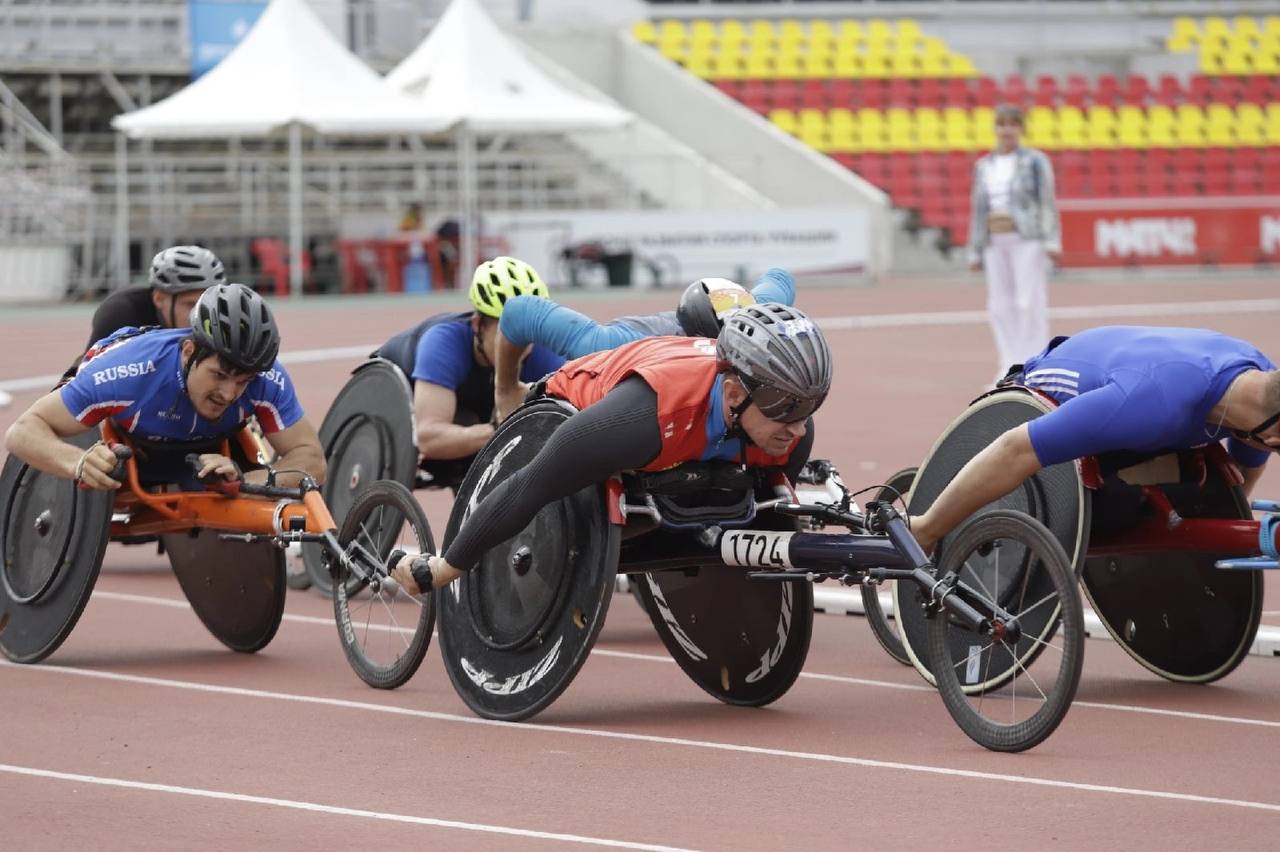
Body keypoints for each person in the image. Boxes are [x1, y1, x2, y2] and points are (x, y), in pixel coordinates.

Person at [389, 302, 832, 594]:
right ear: (735, 394)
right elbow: (530, 485)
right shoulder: (639, 420)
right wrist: (447, 566)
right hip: (592, 391)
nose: (797, 430)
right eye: (786, 413)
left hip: (681, 379)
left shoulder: (788, 431)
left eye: (807, 410)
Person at [910, 326, 1280, 555]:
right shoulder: (1152, 403)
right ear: (1274, 435)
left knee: (1189, 484)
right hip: (1067, 380)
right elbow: (1016, 449)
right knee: (1116, 507)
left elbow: (1246, 463)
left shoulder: (1261, 384)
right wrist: (929, 528)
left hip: (1144, 378)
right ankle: (926, 524)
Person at [5, 283, 325, 492]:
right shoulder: (126, 372)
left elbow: (312, 459)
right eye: (219, 375)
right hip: (130, 440)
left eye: (243, 381)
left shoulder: (266, 378)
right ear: (189, 352)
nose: (229, 393)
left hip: (205, 450)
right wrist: (76, 462)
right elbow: (22, 432)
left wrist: (249, 479)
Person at [492, 268, 796, 420]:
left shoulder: (757, 315)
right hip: (638, 361)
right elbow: (520, 311)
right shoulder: (608, 345)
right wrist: (505, 390)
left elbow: (780, 277)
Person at [370, 256, 563, 488]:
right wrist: (498, 429)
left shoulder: (542, 352)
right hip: (401, 393)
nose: (518, 344)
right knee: (468, 422)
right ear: (477, 324)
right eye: (507, 332)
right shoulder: (443, 343)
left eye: (527, 333)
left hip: (476, 402)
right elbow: (428, 438)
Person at [967, 105, 1061, 384]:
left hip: (1026, 237)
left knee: (1028, 300)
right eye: (1001, 124)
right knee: (999, 304)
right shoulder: (983, 166)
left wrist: (1051, 239)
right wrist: (974, 248)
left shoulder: (1034, 162)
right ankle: (1008, 363)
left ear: (1021, 128)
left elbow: (1046, 201)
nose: (1006, 130)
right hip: (994, 239)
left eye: (1012, 124)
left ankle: (1033, 363)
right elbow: (978, 209)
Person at [62, 245, 227, 382]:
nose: (200, 314)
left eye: (208, 303)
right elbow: (84, 376)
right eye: (191, 304)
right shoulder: (122, 313)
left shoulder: (227, 313)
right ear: (159, 298)